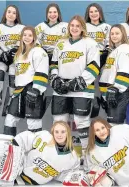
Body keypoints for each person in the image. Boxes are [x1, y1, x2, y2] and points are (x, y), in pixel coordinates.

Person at [50, 15, 100, 150]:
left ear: (82, 27)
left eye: (78, 26)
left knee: (81, 122)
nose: (74, 28)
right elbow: (54, 64)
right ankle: (60, 153)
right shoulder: (61, 43)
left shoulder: (90, 43)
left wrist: (79, 82)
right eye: (72, 25)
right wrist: (54, 78)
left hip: (82, 90)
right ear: (68, 27)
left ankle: (86, 153)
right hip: (61, 90)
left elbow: (94, 66)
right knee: (59, 122)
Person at [3, 26, 49, 136]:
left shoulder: (38, 51)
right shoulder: (19, 54)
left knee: (33, 121)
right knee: (10, 120)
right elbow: (15, 73)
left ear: (34, 37)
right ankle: (9, 149)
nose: (27, 37)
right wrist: (13, 91)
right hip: (19, 90)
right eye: (24, 35)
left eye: (30, 35)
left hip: (31, 89)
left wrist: (36, 90)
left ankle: (36, 151)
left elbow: (42, 71)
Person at [12, 121, 80, 185]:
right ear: (53, 132)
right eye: (56, 132)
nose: (59, 135)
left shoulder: (73, 157)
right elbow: (26, 138)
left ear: (68, 133)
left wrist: (74, 179)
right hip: (16, 169)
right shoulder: (45, 137)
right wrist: (14, 148)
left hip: (32, 182)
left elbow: (63, 175)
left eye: (63, 132)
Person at [0, 5, 25, 115]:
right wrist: (1, 53)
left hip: (16, 59)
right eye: (9, 12)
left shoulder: (22, 28)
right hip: (3, 58)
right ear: (5, 13)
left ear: (17, 15)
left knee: (12, 73)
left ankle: (12, 100)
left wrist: (17, 52)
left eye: (14, 13)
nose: (11, 14)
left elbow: (26, 44)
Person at [99, 24, 129, 125]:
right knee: (112, 124)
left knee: (115, 125)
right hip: (110, 92)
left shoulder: (126, 49)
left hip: (118, 92)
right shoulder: (114, 50)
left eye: (117, 33)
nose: (114, 36)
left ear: (123, 34)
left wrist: (116, 88)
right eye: (112, 34)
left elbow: (125, 70)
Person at [84, 3, 111, 67]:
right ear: (88, 14)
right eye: (91, 12)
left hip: (102, 56)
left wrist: (104, 56)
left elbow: (109, 45)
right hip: (87, 56)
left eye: (96, 11)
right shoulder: (84, 27)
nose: (94, 14)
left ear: (100, 12)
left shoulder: (107, 27)